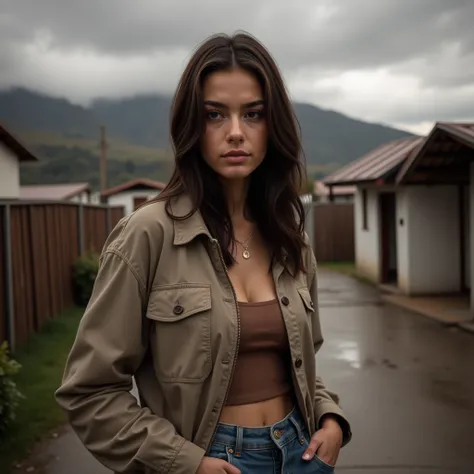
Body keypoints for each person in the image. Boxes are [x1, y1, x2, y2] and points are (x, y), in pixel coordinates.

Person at [55, 31, 352, 474]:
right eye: (215, 115)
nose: (235, 132)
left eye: (253, 114)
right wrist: (186, 464)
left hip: (302, 451)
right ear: (192, 125)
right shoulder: (146, 235)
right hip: (211, 462)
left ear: (275, 126)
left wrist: (329, 417)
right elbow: (89, 393)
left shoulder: (290, 236)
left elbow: (302, 360)